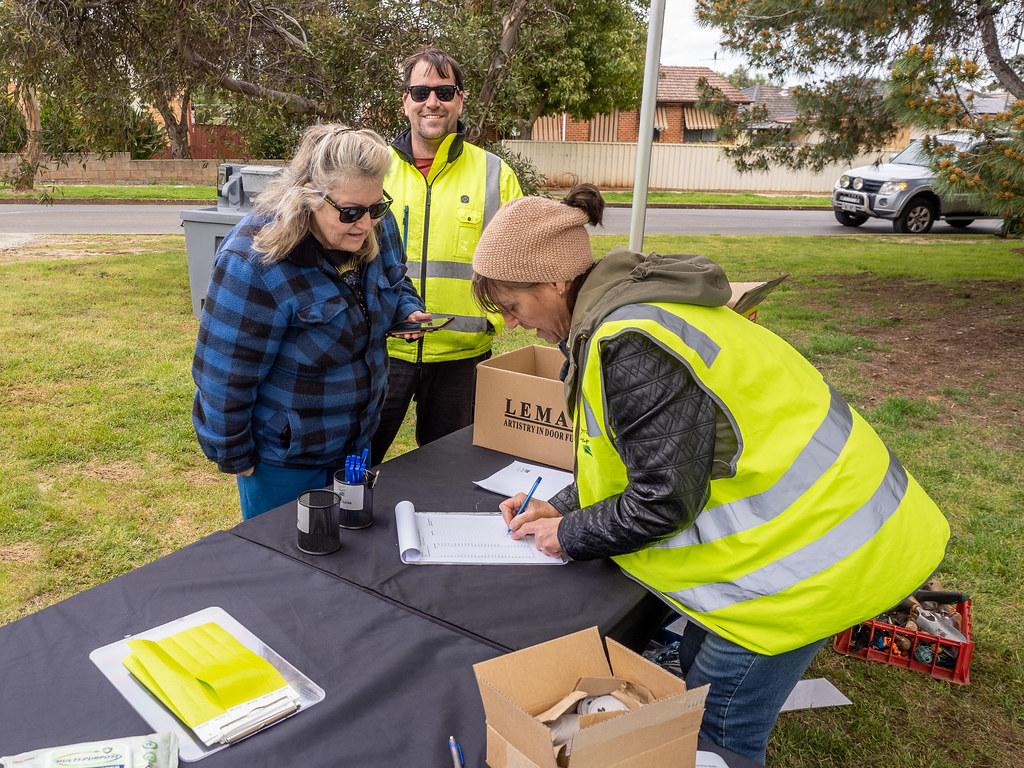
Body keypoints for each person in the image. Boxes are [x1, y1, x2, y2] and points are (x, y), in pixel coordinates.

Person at [471, 184, 951, 764]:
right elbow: (639, 455)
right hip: (821, 536)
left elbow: (663, 499)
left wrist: (568, 535)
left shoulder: (631, 342)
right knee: (700, 671)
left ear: (552, 283)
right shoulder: (636, 311)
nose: (514, 325)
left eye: (513, 307)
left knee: (719, 733)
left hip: (801, 571)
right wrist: (567, 504)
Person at [192, 124, 428, 520]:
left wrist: (405, 307)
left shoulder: (374, 223)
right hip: (285, 461)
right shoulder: (253, 260)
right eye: (350, 212)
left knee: (347, 554)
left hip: (356, 443)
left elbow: (395, 277)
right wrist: (235, 454)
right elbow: (223, 374)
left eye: (377, 207)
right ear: (308, 198)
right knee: (287, 570)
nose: (366, 224)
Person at [370, 46, 524, 465]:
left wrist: (492, 319)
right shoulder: (373, 169)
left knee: (450, 472)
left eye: (443, 91)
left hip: (462, 358)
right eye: (420, 92)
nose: (431, 102)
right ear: (405, 102)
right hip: (382, 353)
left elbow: (519, 258)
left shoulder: (495, 174)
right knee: (354, 466)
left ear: (460, 99)